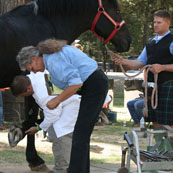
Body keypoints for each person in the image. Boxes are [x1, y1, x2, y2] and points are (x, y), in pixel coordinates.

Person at [16, 39, 109, 173]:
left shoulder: (53, 61)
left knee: (79, 137)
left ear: (33, 59)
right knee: (81, 136)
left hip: (93, 85)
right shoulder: (52, 57)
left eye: (32, 69)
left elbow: (75, 83)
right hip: (93, 84)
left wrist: (57, 101)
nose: (34, 72)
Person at [112, 9, 173, 128]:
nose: (155, 25)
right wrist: (123, 61)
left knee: (169, 124)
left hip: (169, 86)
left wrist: (162, 67)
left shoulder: (171, 41)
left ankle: (169, 146)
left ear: (168, 23)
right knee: (156, 122)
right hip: (152, 88)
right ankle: (161, 146)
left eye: (159, 22)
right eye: (154, 22)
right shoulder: (150, 43)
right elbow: (139, 62)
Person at [11, 71, 81, 173]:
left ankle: (61, 169)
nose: (24, 97)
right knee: (54, 133)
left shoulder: (43, 96)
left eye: (23, 95)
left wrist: (38, 128)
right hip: (66, 103)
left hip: (72, 105)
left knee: (61, 134)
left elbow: (53, 115)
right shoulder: (34, 75)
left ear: (29, 88)